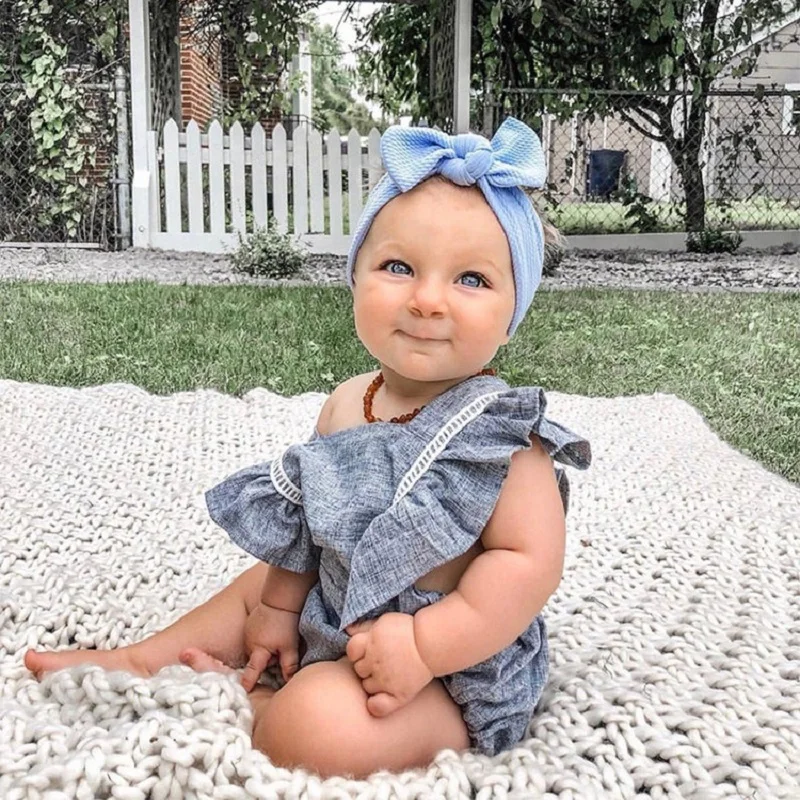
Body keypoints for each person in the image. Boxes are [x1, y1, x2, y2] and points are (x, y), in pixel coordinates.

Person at [25, 118, 591, 779]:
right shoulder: (347, 402)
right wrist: (279, 608)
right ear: (355, 278)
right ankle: (139, 659)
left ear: (513, 311)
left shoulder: (504, 436)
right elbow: (307, 524)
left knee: (318, 728)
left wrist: (424, 645)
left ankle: (272, 706)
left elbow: (528, 566)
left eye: (471, 279)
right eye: (399, 267)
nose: (427, 300)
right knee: (254, 589)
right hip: (334, 606)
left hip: (447, 671)